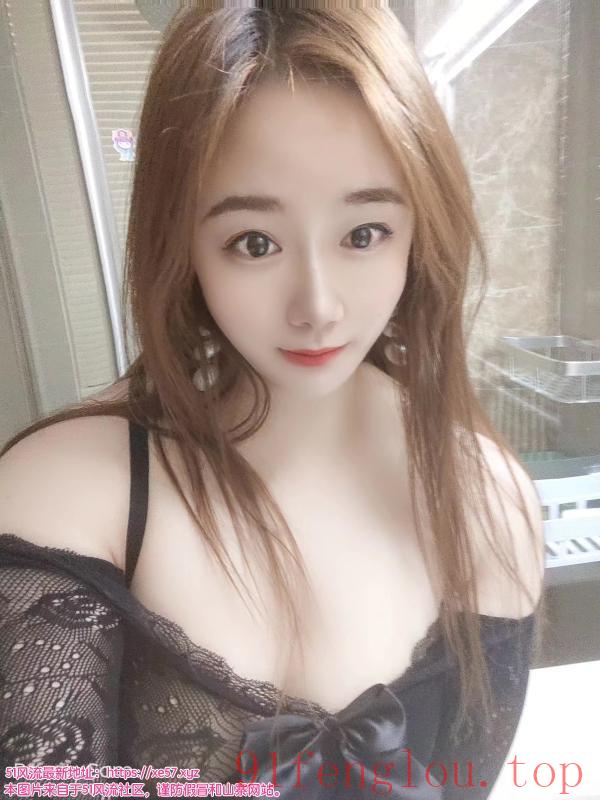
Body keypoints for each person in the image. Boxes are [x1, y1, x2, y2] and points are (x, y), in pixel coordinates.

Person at [0, 4, 546, 798]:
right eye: (254, 243)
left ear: (419, 234)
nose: (317, 306)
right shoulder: (66, 495)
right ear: (183, 243)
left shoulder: (486, 500)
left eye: (364, 233)